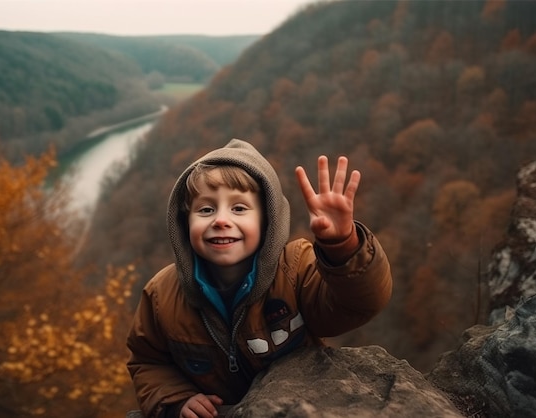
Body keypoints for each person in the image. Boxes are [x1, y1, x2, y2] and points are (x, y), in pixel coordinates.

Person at [126, 138, 392, 417]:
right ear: (185, 223)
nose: (220, 220)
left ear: (267, 222)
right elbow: (147, 361)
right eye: (206, 209)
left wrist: (343, 245)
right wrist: (177, 399)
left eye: (239, 208)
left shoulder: (296, 270)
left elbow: (361, 303)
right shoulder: (161, 295)